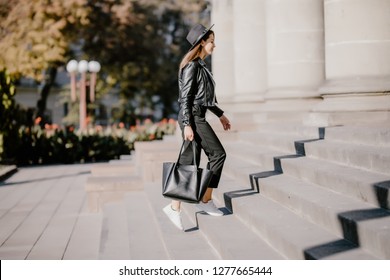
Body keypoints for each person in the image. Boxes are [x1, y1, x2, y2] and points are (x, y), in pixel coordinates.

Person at [163, 23, 231, 231]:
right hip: (192, 117)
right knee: (217, 154)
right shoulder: (192, 66)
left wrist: (220, 115)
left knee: (189, 162)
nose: (214, 46)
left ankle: (177, 207)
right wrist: (186, 124)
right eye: (211, 42)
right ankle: (203, 199)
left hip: (196, 116)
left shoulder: (200, 66)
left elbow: (205, 99)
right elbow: (185, 98)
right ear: (201, 42)